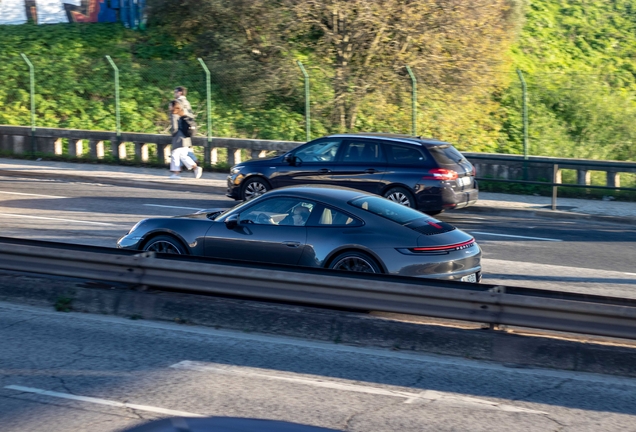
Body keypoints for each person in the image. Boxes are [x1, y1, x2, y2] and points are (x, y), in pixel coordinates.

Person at [169, 100, 203, 179]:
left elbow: (174, 128)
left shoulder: (174, 115)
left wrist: (172, 134)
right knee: (183, 156)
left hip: (178, 139)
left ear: (173, 107)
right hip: (186, 138)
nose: (169, 107)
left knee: (175, 155)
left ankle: (176, 173)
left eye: (170, 105)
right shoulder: (182, 113)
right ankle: (195, 167)